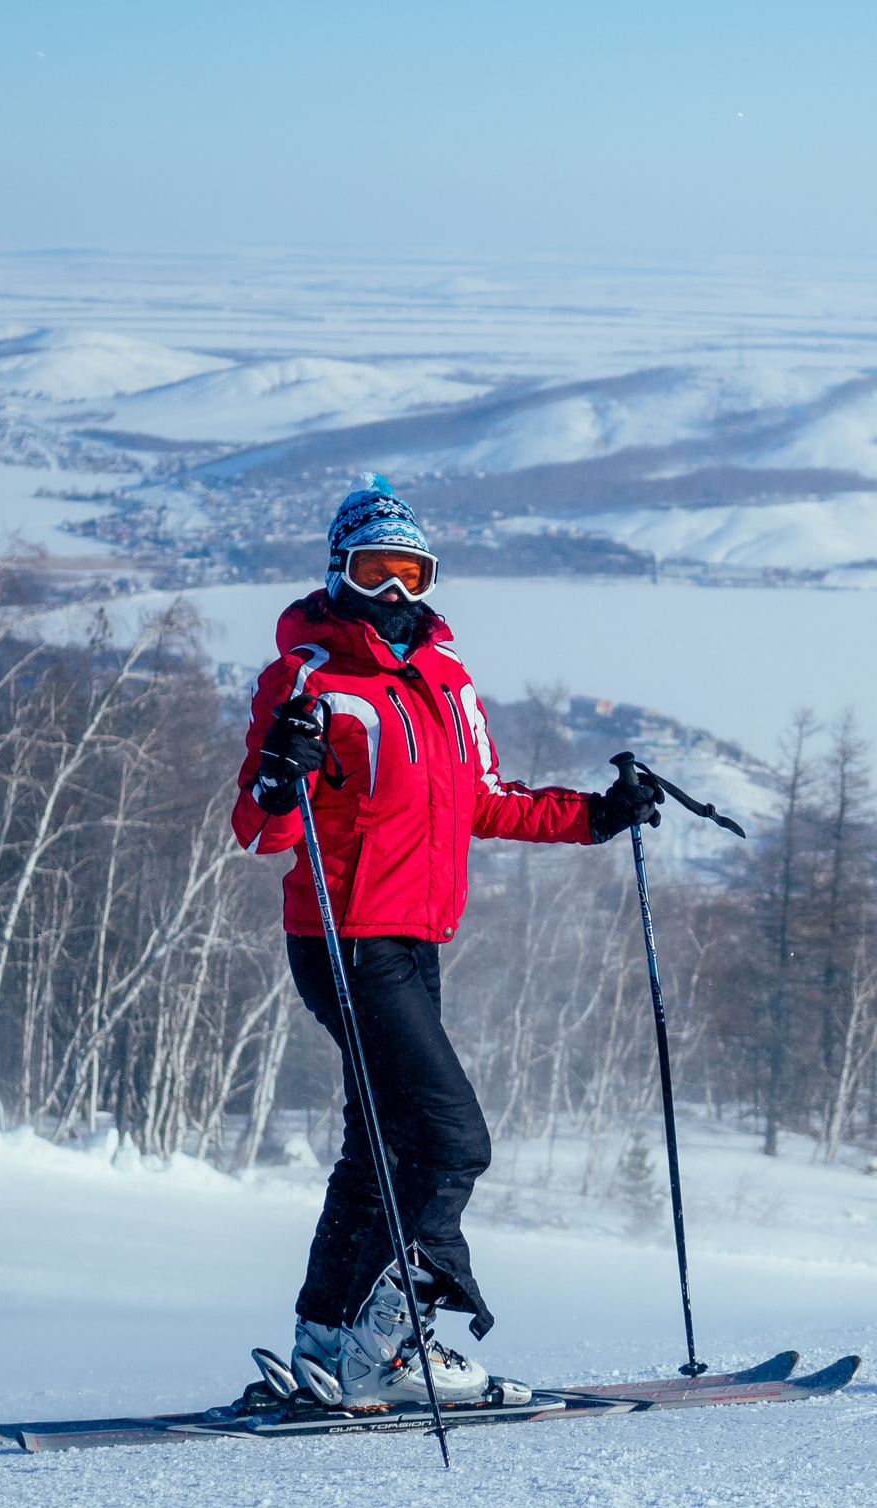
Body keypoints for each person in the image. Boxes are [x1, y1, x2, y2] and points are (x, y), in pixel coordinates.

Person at [230, 476, 661, 1409]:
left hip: (418, 943)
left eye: (410, 571)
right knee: (452, 1138)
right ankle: (388, 1346)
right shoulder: (309, 681)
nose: (393, 592)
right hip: (346, 943)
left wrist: (598, 816)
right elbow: (261, 829)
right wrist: (281, 772)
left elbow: (483, 801)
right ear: (338, 572)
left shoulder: (446, 680)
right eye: (374, 569)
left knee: (380, 1142)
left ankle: (326, 1335)